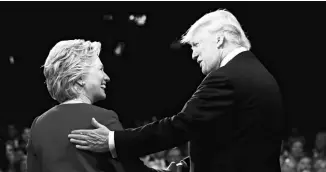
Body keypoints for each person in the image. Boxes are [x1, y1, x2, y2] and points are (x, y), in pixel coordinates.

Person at [68, 9, 285, 172]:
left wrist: (113, 140)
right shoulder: (260, 74)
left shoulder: (227, 77)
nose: (193, 54)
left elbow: (180, 126)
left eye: (197, 45)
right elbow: (238, 144)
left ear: (219, 40)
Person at [27, 39, 178, 172]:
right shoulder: (103, 118)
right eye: (100, 69)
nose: (107, 77)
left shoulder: (38, 124)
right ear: (80, 78)